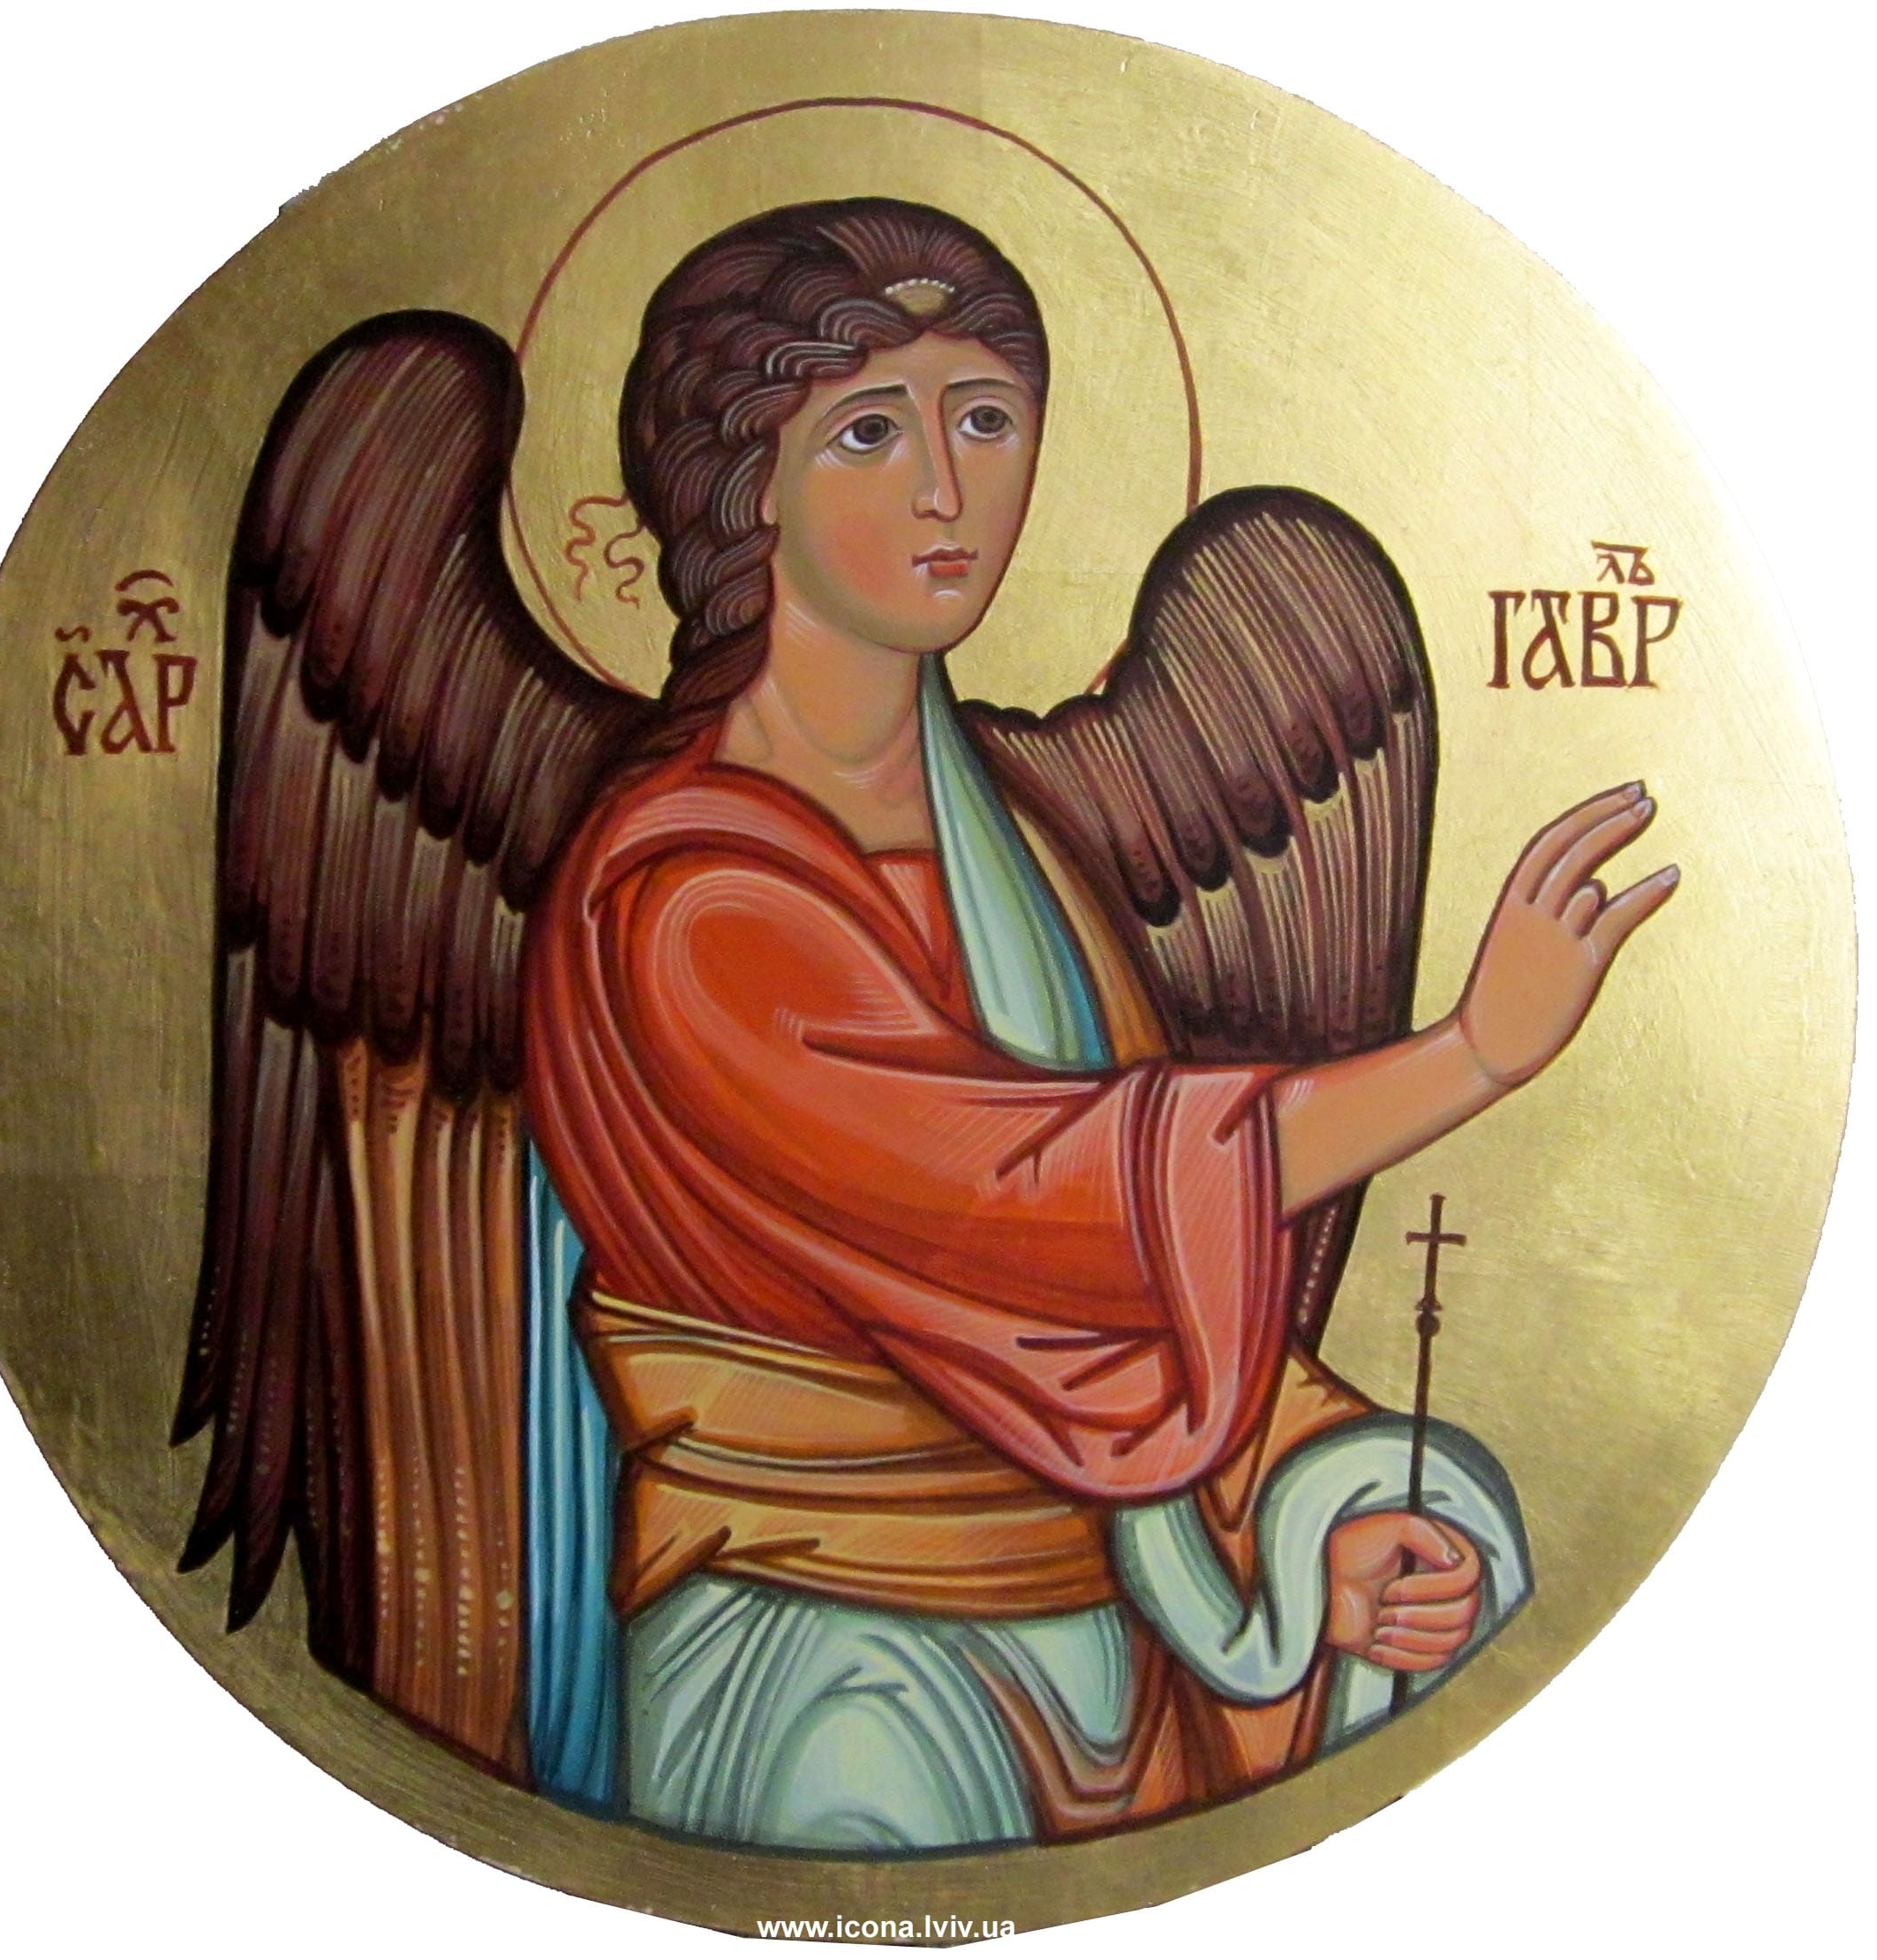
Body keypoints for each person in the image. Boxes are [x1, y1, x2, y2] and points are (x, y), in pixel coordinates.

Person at [517, 200, 1674, 1851]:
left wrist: (1316, 1519)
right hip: (833, 1664)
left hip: (1106, 1647)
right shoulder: (689, 898)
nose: (948, 489)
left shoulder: (1021, 852)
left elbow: (1120, 1308)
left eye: (987, 420)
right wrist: (1469, 1055)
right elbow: (1034, 1204)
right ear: (747, 482)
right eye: (869, 432)